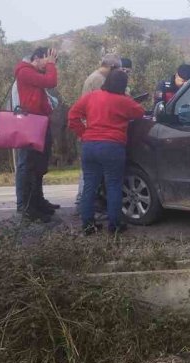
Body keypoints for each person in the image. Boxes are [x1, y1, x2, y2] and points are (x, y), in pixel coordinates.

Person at [68, 70, 145, 234]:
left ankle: (88, 225)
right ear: (123, 85)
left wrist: (83, 133)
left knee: (90, 186)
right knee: (114, 185)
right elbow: (140, 112)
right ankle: (114, 225)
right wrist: (127, 98)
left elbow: (73, 115)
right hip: (112, 147)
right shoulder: (124, 101)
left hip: (89, 146)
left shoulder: (92, 96)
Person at [14, 47, 60, 222]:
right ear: (37, 58)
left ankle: (38, 201)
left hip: (39, 121)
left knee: (39, 164)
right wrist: (51, 66)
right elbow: (51, 81)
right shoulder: (24, 71)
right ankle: (27, 206)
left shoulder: (31, 73)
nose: (49, 64)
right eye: (47, 60)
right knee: (28, 165)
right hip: (30, 122)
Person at [75, 53, 121, 214]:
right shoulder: (99, 80)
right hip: (98, 134)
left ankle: (86, 216)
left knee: (90, 177)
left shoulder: (93, 77)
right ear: (112, 67)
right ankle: (88, 205)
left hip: (90, 135)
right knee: (99, 180)